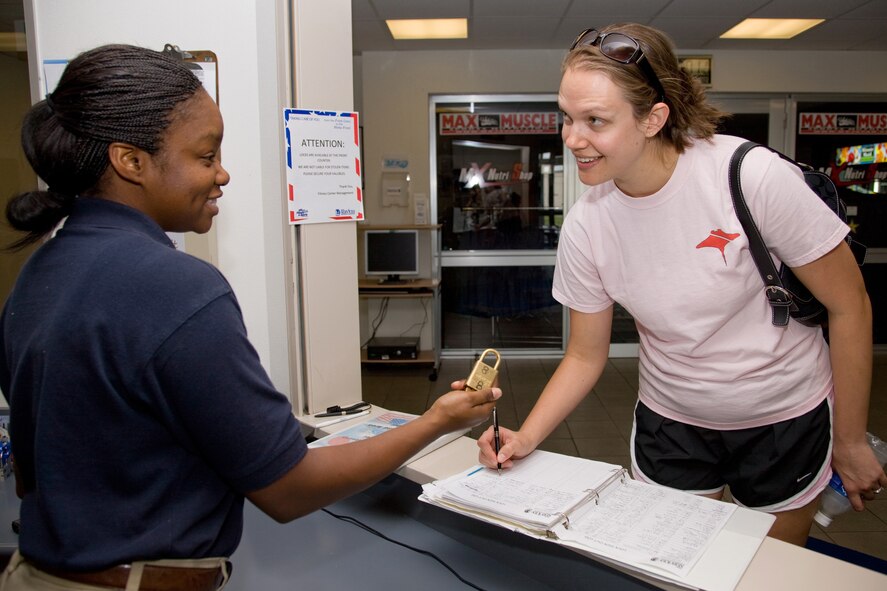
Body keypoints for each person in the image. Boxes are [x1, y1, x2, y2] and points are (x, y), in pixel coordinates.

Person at [0, 44, 501, 590]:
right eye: (205, 155)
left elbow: (36, 467)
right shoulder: (175, 287)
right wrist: (437, 422)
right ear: (131, 161)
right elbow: (288, 489)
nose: (223, 174)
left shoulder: (41, 272)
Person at [477, 23, 886, 546]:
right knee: (677, 562)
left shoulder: (749, 177)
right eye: (567, 117)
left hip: (784, 416)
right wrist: (526, 437)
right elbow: (584, 354)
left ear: (654, 118)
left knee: (771, 570)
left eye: (595, 120)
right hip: (672, 420)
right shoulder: (587, 224)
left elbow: (850, 306)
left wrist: (850, 441)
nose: (572, 138)